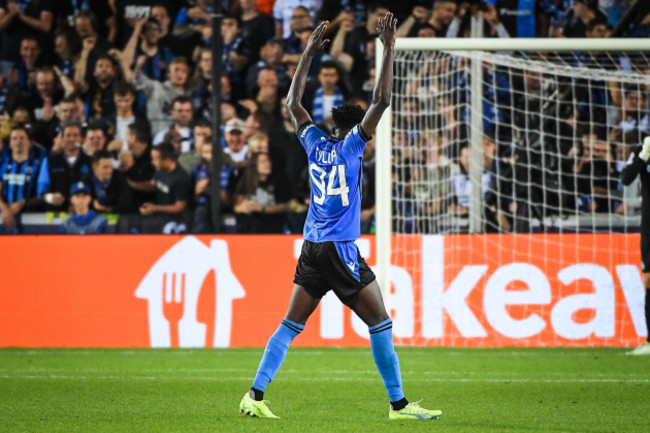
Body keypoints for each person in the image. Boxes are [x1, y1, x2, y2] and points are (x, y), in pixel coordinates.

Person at [239, 13, 442, 420]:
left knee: (291, 323)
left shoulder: (315, 141)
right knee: (380, 321)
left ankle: (254, 396)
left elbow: (293, 103)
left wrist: (309, 53)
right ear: (358, 130)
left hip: (312, 246)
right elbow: (382, 101)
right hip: (338, 249)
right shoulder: (353, 148)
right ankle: (398, 405)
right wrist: (389, 48)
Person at [620, 136, 650, 355]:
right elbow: (626, 178)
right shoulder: (642, 149)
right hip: (649, 226)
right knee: (649, 280)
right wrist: (643, 155)